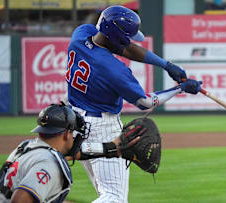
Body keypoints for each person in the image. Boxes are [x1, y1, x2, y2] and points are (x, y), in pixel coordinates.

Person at [65, 5, 202, 203]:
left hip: (75, 122)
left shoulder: (81, 34)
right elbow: (145, 102)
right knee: (114, 198)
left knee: (106, 193)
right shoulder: (114, 70)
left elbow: (126, 48)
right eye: (127, 36)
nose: (129, 41)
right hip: (102, 129)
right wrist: (180, 89)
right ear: (117, 37)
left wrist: (166, 65)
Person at [0, 103, 145, 203]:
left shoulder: (25, 146)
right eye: (73, 132)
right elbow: (20, 200)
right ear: (66, 134)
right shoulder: (48, 164)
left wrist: (111, 148)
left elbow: (72, 153)